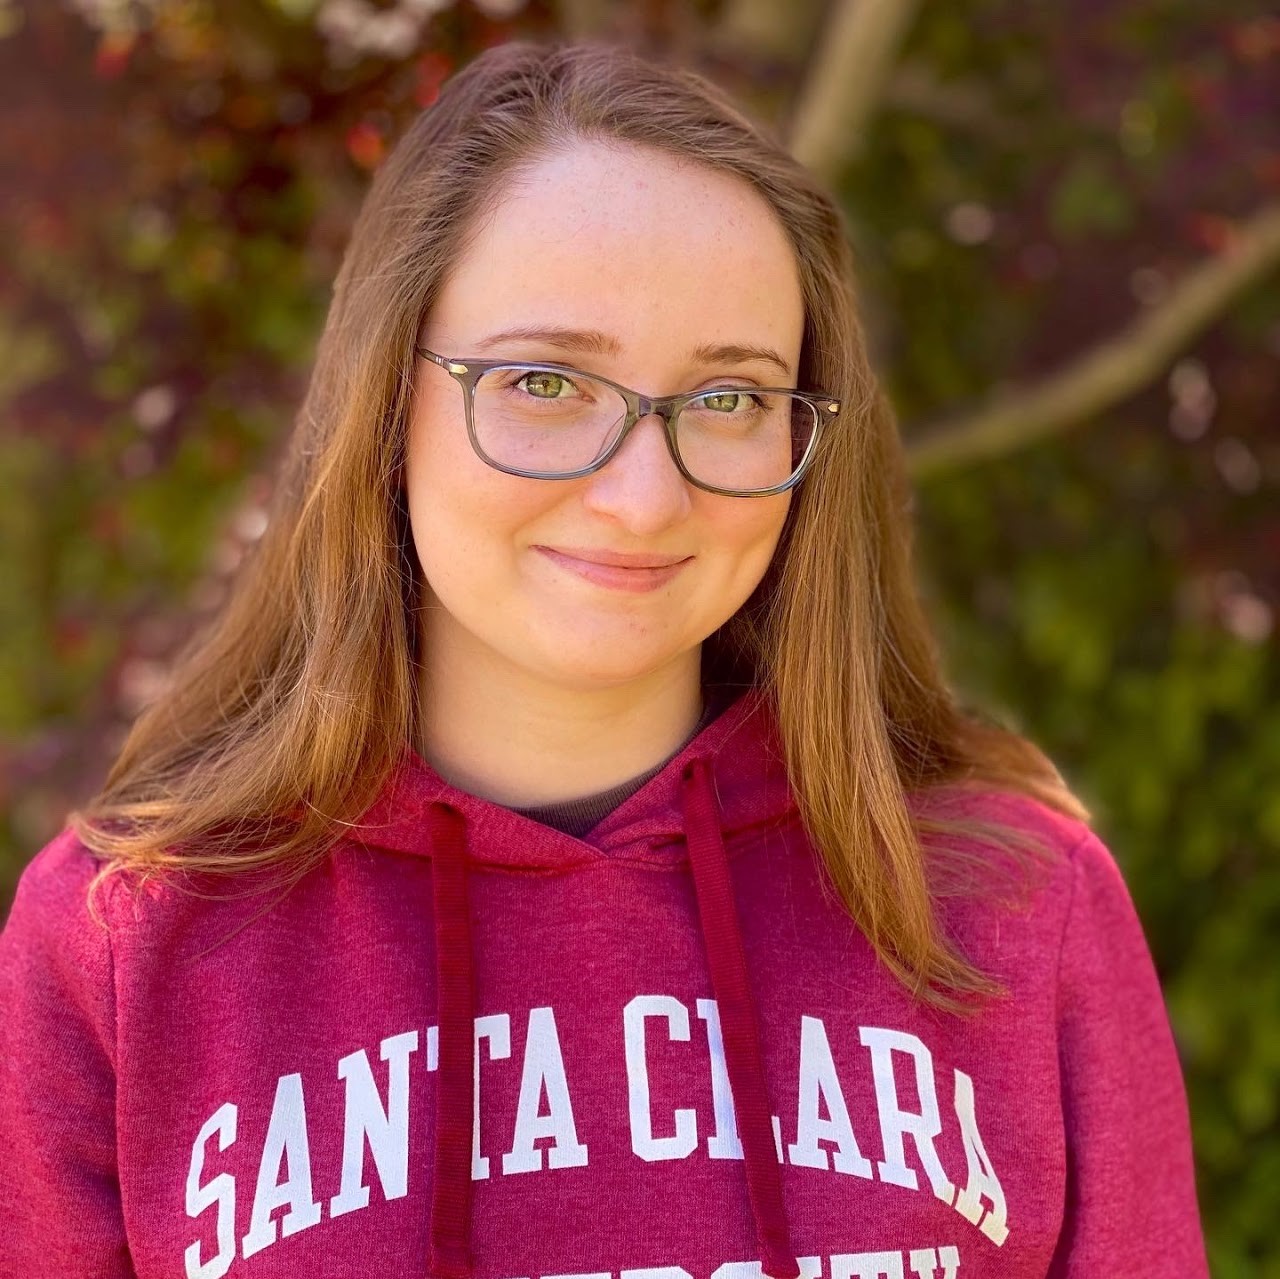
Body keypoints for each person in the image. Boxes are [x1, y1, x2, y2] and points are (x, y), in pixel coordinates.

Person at [0, 38, 1207, 1279]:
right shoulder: (131, 942)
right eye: (542, 381)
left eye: (729, 399)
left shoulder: (1009, 899)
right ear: (384, 404)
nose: (641, 496)